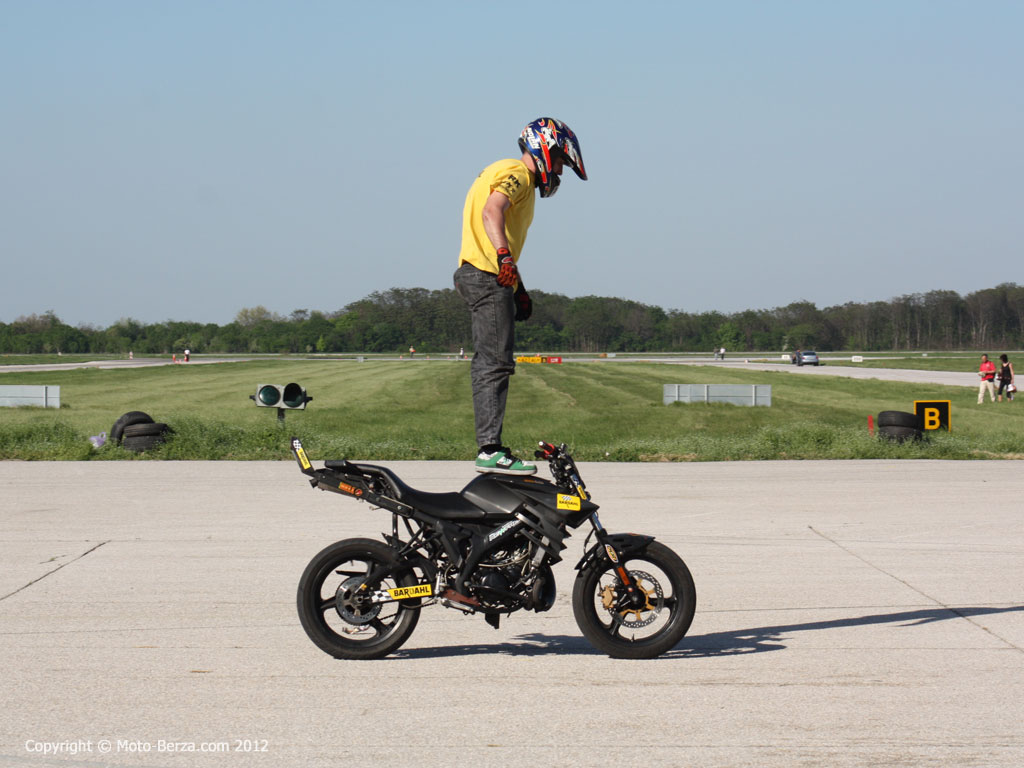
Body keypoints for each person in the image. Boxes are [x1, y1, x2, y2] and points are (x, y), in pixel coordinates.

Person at [454, 118, 587, 474]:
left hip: (481, 272)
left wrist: (519, 288)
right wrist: (503, 257)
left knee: (491, 360)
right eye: (561, 162)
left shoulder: (504, 172)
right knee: (495, 362)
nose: (559, 171)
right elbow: (492, 211)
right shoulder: (518, 174)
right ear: (546, 149)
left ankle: (490, 448)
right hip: (486, 275)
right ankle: (490, 450)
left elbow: (497, 233)